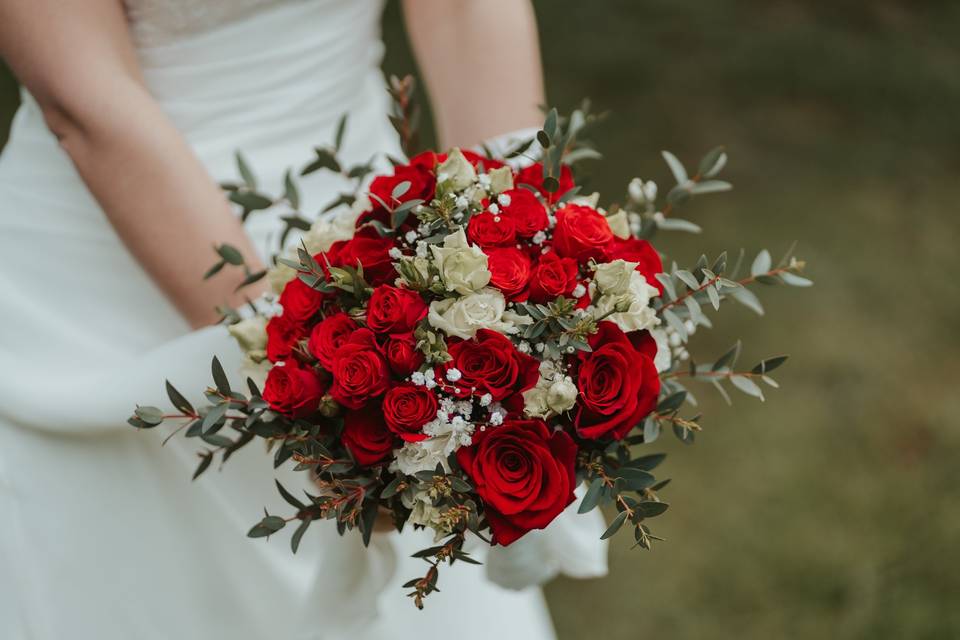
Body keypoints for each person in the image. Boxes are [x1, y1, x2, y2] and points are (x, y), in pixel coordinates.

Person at [0, 1, 606, 638]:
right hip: (100, 297)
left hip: (376, 237)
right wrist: (301, 368)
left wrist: (524, 259)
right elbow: (85, 100)